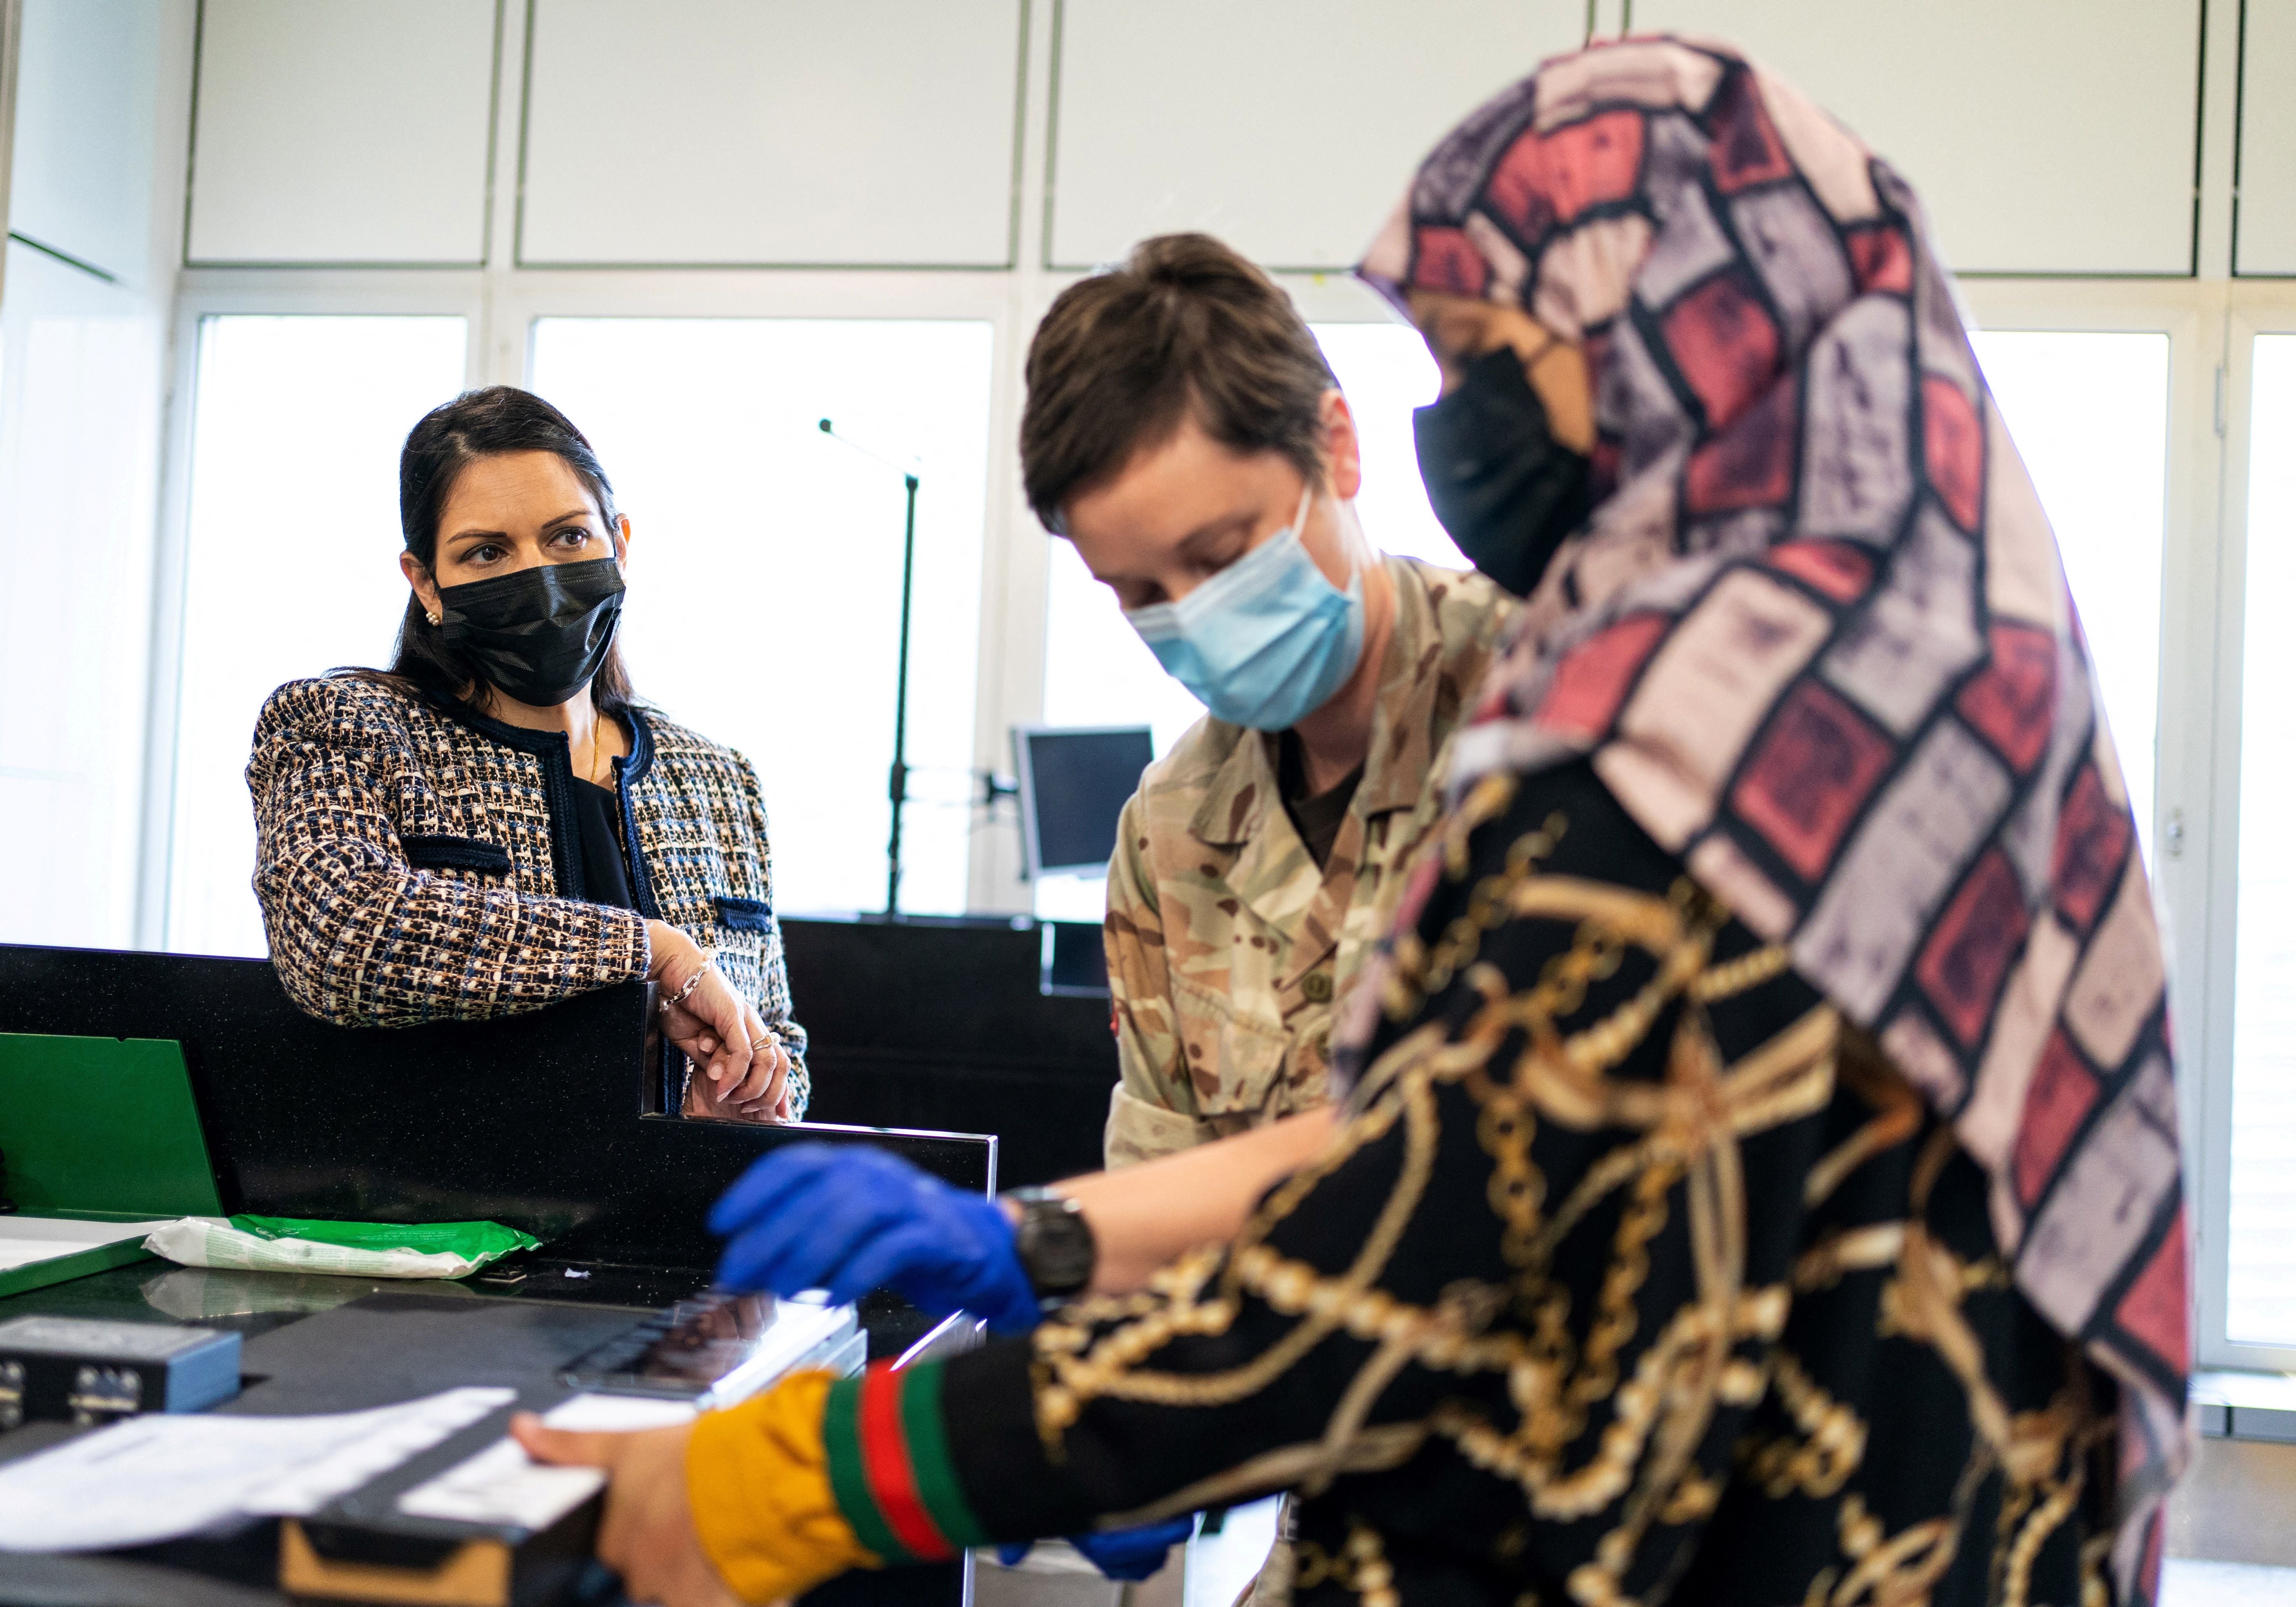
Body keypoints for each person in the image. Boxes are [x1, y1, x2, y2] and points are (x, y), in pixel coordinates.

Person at [515, 37, 2191, 1607]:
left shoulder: (1655, 738)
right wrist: (1075, 1277)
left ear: (1690, 331)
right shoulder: (1886, 662)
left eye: (1488, 358)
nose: (1456, 419)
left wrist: (836, 1464)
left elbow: (1437, 1212)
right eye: (1135, 589)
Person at [1021, 233, 1518, 1167]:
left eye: (1219, 556)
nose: (1195, 618)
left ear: (1335, 449)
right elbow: (1160, 1185)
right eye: (1141, 593)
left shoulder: (1546, 708)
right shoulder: (1169, 828)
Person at [248, 386, 807, 1122]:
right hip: (433, 1224)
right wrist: (651, 952)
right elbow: (338, 937)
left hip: (664, 1224)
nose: (539, 581)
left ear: (622, 544)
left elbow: (781, 1041)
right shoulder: (341, 727)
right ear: (427, 585)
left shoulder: (718, 782)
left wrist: (753, 1101)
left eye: (569, 538)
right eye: (486, 552)